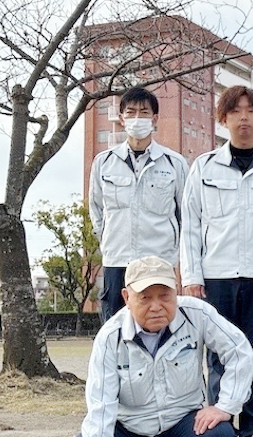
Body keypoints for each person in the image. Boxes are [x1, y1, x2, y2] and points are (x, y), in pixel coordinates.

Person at [56, 256, 253, 437]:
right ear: (126, 297)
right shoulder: (110, 337)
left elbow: (240, 351)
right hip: (129, 430)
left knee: (220, 435)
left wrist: (225, 405)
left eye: (165, 295)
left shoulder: (197, 314)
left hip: (182, 424)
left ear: (177, 291)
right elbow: (100, 407)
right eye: (145, 297)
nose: (157, 306)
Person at [180, 86, 253, 437]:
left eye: (251, 111)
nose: (243, 117)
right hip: (217, 277)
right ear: (224, 118)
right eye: (236, 111)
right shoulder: (204, 167)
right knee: (219, 354)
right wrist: (192, 277)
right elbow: (191, 226)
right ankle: (221, 428)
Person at [89, 87, 189, 323]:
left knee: (160, 326)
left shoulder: (174, 164)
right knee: (115, 329)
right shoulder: (104, 163)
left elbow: (185, 216)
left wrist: (176, 259)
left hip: (159, 261)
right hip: (117, 260)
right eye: (131, 112)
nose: (137, 118)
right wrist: (107, 241)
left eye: (144, 112)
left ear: (155, 119)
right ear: (121, 119)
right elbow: (96, 210)